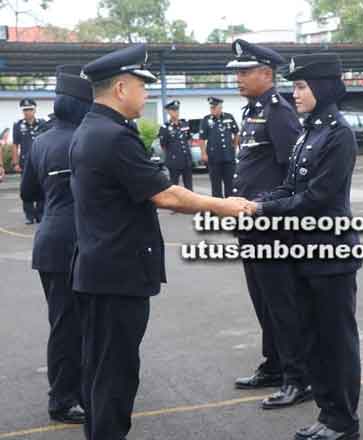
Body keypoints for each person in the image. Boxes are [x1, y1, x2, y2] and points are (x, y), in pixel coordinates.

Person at [69, 44, 250, 440]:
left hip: (101, 269)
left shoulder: (92, 128)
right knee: (115, 372)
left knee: (100, 367)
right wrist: (223, 205)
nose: (147, 93)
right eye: (142, 85)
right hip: (117, 274)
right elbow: (165, 194)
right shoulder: (113, 137)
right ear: (120, 88)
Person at [247, 52, 362, 440]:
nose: (295, 93)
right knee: (312, 338)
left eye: (300, 86)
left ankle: (344, 421)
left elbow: (316, 197)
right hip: (304, 250)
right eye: (294, 86)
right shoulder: (310, 130)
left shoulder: (337, 133)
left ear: (323, 87)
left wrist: (264, 208)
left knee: (336, 342)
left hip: (330, 252)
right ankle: (328, 415)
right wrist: (257, 202)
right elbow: (291, 186)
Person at [226, 39, 309, 407]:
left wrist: (267, 209)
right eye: (237, 72)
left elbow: (293, 173)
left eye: (245, 72)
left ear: (266, 74)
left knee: (281, 302)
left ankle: (298, 377)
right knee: (262, 299)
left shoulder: (279, 111)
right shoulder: (251, 111)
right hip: (250, 224)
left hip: (272, 226)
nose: (238, 79)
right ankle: (274, 363)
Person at [19, 64, 92, 425]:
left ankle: (72, 391)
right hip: (76, 243)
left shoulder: (41, 141)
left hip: (48, 242)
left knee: (64, 322)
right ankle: (63, 399)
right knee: (73, 325)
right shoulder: (85, 139)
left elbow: (28, 193)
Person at [12, 98, 46, 224]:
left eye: (30, 109)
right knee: (26, 188)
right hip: (25, 163)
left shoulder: (42, 124)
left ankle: (41, 213)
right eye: (25, 110)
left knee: (42, 187)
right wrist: (15, 163)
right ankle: (29, 215)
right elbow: (15, 145)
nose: (27, 112)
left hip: (40, 161)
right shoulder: (18, 125)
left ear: (35, 109)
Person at [200, 97, 239, 197]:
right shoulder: (206, 120)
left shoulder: (229, 117)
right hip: (214, 158)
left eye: (214, 108)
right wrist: (203, 153)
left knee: (230, 183)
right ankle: (218, 207)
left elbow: (236, 133)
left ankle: (230, 205)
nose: (212, 110)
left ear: (220, 108)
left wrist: (234, 146)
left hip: (228, 157)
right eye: (211, 108)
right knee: (215, 184)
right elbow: (202, 139)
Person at [159, 99, 194, 190]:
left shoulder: (184, 123)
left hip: (186, 160)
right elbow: (163, 145)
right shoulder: (165, 127)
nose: (176, 112)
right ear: (168, 112)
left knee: (189, 186)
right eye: (173, 110)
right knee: (174, 186)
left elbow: (189, 139)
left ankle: (190, 204)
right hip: (174, 161)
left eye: (177, 110)